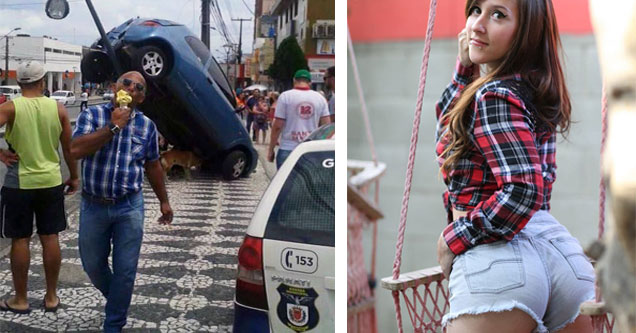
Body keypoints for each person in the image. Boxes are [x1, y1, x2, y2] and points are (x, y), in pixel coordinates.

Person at [434, 1, 594, 332]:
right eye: (476, 8)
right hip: (560, 256)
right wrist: (464, 69)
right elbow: (455, 127)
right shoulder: (532, 89)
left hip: (501, 264)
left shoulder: (494, 95)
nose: (476, 25)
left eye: (498, 15)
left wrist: (455, 237)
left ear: (526, 33)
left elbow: (523, 190)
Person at [71, 71, 173, 332]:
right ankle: (117, 300)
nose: (131, 88)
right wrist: (113, 127)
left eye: (138, 87)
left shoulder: (147, 126)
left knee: (126, 270)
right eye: (126, 83)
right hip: (94, 205)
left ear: (141, 97)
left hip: (129, 206)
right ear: (115, 86)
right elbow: (75, 149)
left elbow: (152, 165)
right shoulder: (92, 115)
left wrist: (164, 201)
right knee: (92, 264)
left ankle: (114, 324)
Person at [0, 60, 79, 314]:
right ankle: (52, 297)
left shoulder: (10, 107)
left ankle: (20, 299)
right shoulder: (58, 109)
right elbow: (69, 149)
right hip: (50, 182)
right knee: (50, 237)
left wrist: (2, 153)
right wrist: (74, 177)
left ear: (19, 82)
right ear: (43, 81)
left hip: (19, 183)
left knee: (20, 240)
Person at [267, 69, 331, 168]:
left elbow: (277, 126)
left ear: (294, 80)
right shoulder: (320, 99)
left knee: (285, 182)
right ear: (310, 82)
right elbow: (326, 127)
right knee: (308, 183)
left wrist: (271, 150)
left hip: (288, 148)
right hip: (310, 149)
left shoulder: (285, 97)